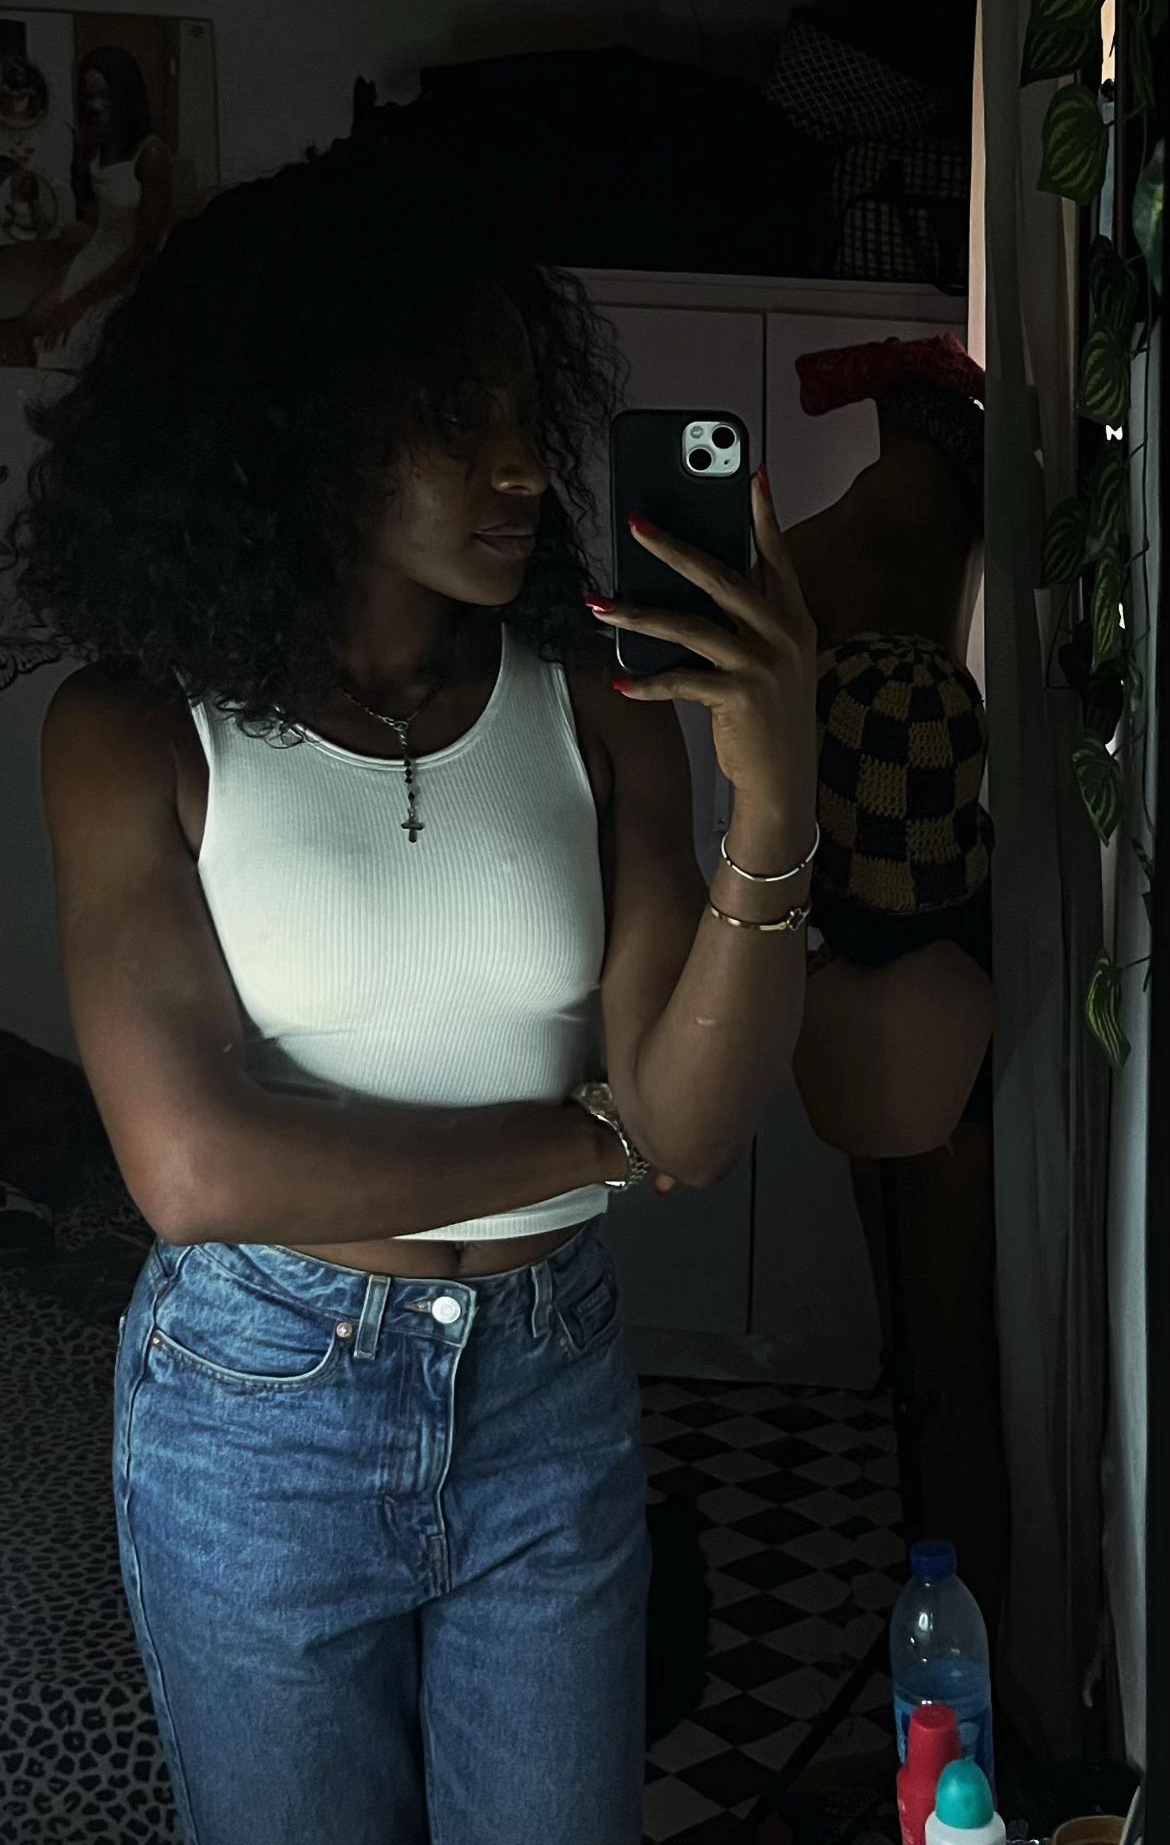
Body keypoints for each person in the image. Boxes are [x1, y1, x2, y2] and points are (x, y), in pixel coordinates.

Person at [1, 133, 818, 1845]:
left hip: (547, 1387)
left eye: (525, 407)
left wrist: (777, 798)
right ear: (296, 430)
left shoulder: (592, 706)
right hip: (256, 1409)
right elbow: (195, 1172)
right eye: (455, 416)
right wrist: (592, 1136)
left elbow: (691, 1124)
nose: (523, 464)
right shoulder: (134, 730)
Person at [778, 334, 1007, 1634]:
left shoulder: (819, 560)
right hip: (910, 911)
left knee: (923, 1343)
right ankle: (962, 1627)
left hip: (849, 913)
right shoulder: (911, 543)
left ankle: (949, 1620)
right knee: (945, 1353)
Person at [25, 46, 172, 374]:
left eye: (105, 94)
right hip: (100, 248)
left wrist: (80, 300)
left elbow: (145, 247)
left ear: (125, 93)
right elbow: (95, 212)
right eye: (89, 94)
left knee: (64, 345)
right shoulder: (100, 139)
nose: (95, 104)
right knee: (34, 321)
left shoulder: (151, 153)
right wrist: (78, 162)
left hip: (133, 263)